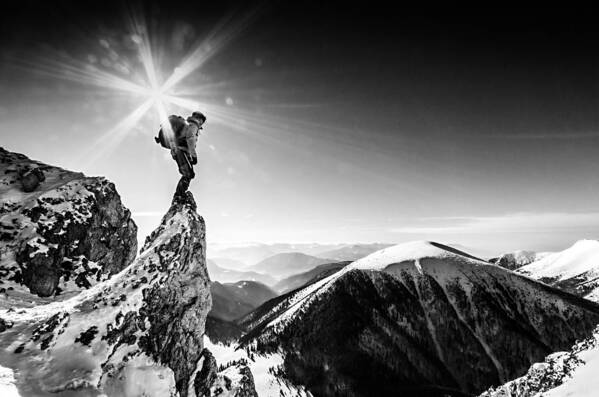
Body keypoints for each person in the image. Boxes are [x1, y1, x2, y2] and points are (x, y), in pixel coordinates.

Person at [155, 111, 206, 196]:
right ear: (199, 119)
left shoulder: (186, 124)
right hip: (180, 151)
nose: (201, 124)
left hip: (178, 151)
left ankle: (180, 195)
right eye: (202, 121)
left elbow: (184, 141)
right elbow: (190, 138)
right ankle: (179, 196)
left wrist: (189, 157)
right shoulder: (193, 125)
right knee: (188, 174)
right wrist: (194, 156)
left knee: (188, 174)